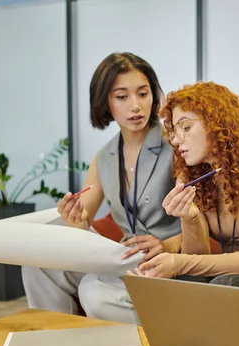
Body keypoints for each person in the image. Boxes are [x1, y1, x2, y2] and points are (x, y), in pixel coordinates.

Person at [22, 52, 181, 324]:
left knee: (93, 289)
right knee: (37, 260)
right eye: (122, 97)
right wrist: (76, 219)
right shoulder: (104, 158)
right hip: (125, 257)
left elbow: (203, 220)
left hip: (166, 260)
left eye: (143, 94)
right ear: (105, 102)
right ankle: (57, 338)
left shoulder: (176, 145)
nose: (136, 106)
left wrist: (167, 244)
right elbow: (83, 226)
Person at [129, 81, 239, 291]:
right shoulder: (193, 175)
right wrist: (190, 217)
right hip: (227, 278)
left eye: (186, 127)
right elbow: (197, 261)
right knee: (186, 283)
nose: (177, 141)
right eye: (175, 132)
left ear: (219, 124)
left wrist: (177, 262)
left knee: (223, 285)